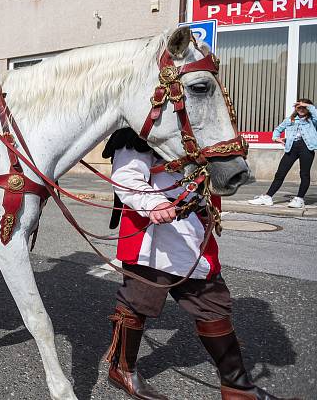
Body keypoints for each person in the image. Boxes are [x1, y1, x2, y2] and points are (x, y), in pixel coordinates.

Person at [102, 128, 294, 400]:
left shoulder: (199, 128)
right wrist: (153, 203)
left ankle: (237, 386)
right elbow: (126, 177)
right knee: (136, 304)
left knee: (213, 304)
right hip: (154, 236)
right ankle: (122, 370)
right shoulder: (135, 131)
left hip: (195, 232)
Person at [248, 98, 316, 209]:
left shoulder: (312, 120)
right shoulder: (290, 120)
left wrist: (307, 105)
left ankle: (299, 199)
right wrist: (277, 139)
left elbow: (315, 114)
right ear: (295, 108)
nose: (302, 109)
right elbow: (278, 130)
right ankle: (268, 197)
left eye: (305, 107)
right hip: (291, 149)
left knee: (304, 174)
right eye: (299, 107)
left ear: (308, 108)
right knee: (280, 173)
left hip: (307, 149)